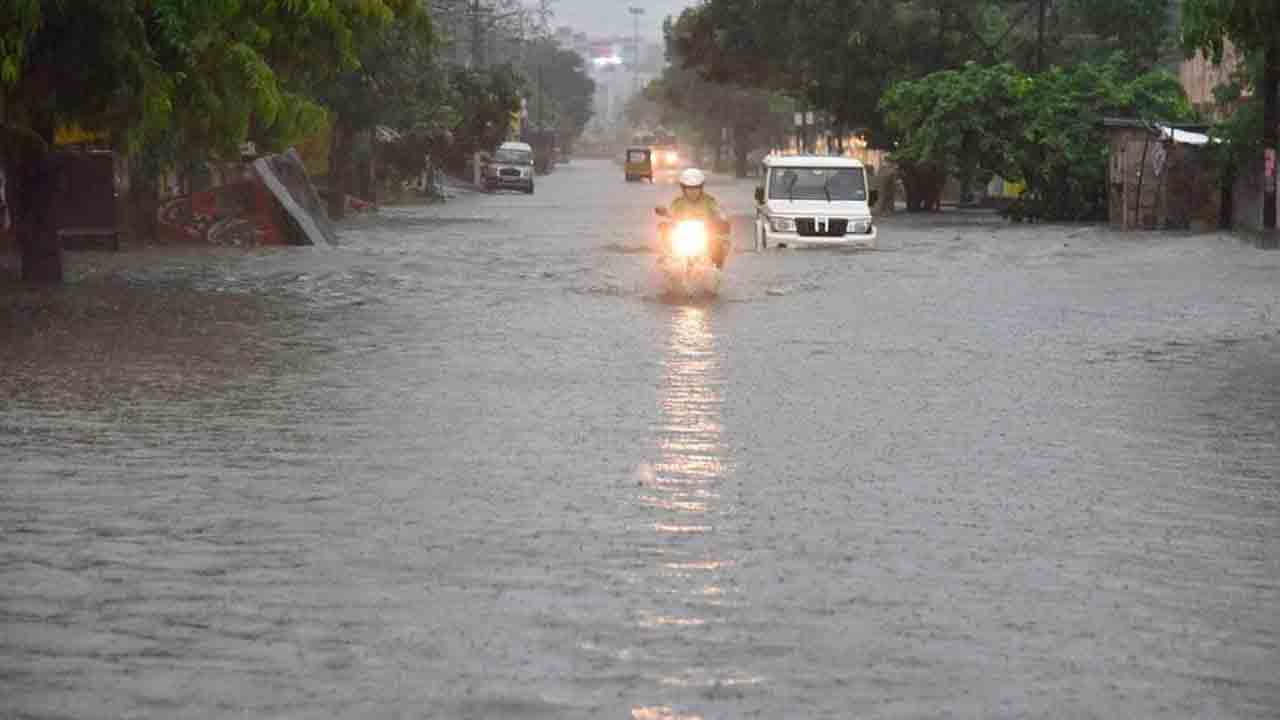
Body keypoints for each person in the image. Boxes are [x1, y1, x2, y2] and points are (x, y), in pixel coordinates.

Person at [664, 168, 730, 268]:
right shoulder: (677, 202)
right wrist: (666, 220)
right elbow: (670, 215)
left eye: (696, 188)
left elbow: (719, 213)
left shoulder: (709, 201)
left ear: (701, 188)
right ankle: (669, 270)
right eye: (689, 188)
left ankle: (715, 270)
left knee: (718, 245)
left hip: (706, 236)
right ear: (683, 188)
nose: (692, 191)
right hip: (683, 236)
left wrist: (722, 221)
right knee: (666, 249)